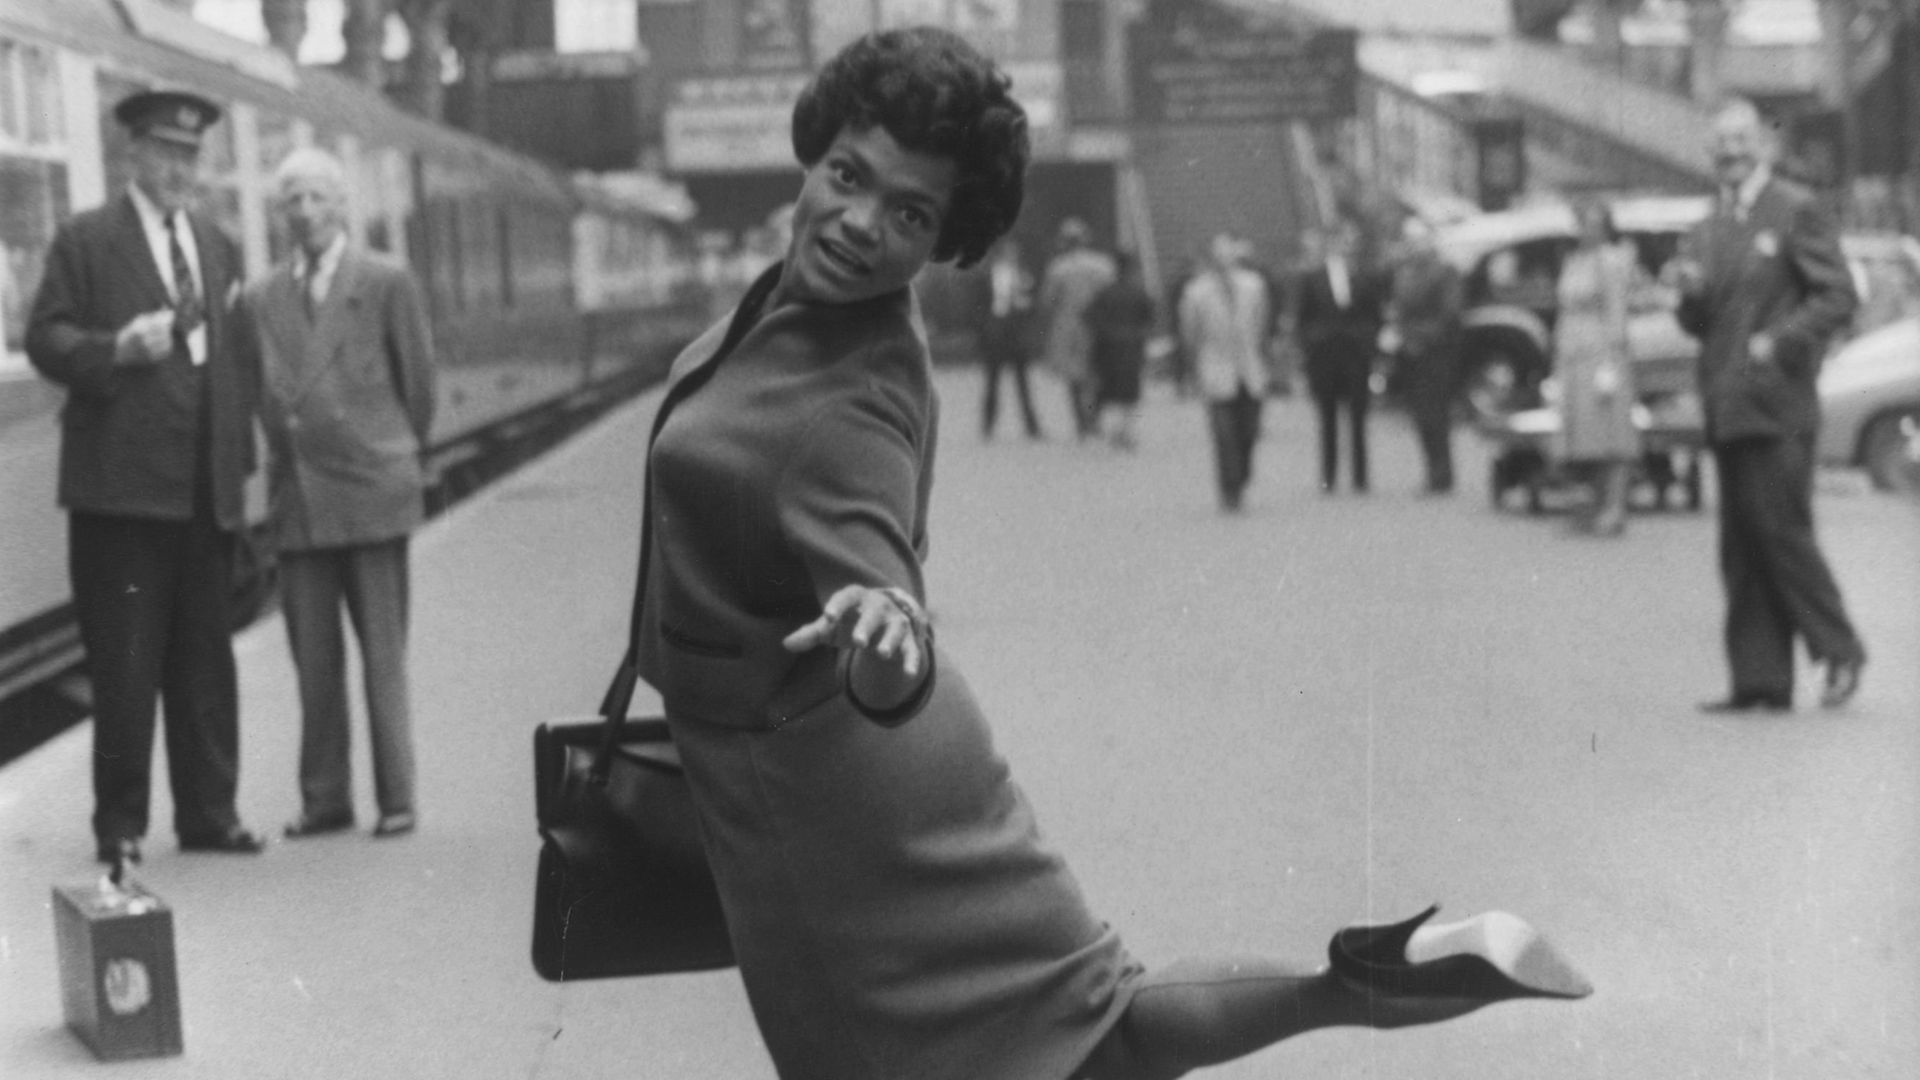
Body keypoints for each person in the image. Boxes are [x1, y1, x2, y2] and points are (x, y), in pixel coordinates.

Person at [627, 31, 1591, 1079]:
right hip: (845, 779)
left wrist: (888, 621)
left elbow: (884, 590)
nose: (860, 224)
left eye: (909, 214)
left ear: (942, 240)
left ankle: (1363, 984)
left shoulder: (852, 401)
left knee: (1013, 1038)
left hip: (833, 798)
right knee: (1089, 1021)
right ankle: (1370, 977)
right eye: (848, 178)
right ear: (812, 157)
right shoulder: (797, 304)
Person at [25, 90, 265, 864]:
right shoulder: (85, 240)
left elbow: (233, 363)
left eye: (190, 155)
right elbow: (44, 337)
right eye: (164, 152)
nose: (178, 168)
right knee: (125, 669)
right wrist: (112, 350)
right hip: (120, 498)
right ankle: (120, 827)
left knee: (206, 662)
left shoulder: (215, 243)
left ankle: (211, 815)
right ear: (133, 155)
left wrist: (240, 472)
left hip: (202, 494)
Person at [243, 148, 435, 840]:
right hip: (299, 499)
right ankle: (325, 799)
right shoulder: (263, 296)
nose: (305, 213)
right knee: (313, 661)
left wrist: (393, 455)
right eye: (291, 201)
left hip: (371, 492)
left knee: (383, 655)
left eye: (317, 198)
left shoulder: (385, 280)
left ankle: (397, 797)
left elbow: (419, 386)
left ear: (342, 206)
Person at [1673, 98, 1866, 712]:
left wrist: (1780, 341)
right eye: (1720, 142)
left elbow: (1837, 298)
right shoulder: (1706, 227)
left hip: (1778, 404)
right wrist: (1688, 298)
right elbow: (1700, 321)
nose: (1730, 151)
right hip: (1727, 403)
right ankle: (1760, 681)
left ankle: (1839, 652)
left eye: (1741, 139)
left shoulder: (1795, 209)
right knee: (1741, 542)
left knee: (1782, 533)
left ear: (1764, 145)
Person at [1554, 201, 1640, 536]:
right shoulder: (1574, 260)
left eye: (1593, 223)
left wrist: (1612, 360)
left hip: (1599, 351)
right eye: (1582, 222)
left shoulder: (1610, 260)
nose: (1585, 230)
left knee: (1610, 431)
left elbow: (1616, 310)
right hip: (1572, 352)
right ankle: (1592, 505)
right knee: (1582, 432)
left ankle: (1614, 506)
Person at [1180, 232, 1273, 512]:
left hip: (1249, 369)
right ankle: (1228, 488)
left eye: (1228, 256)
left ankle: (1242, 476)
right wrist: (1196, 367)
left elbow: (1261, 324)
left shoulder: (1254, 286)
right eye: (1218, 257)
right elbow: (1190, 333)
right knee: (1223, 434)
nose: (1224, 262)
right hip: (1216, 368)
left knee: (1248, 431)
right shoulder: (1195, 292)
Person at [1294, 222, 1384, 493]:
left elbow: (1374, 316)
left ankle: (1360, 476)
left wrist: (1365, 341)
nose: (1342, 247)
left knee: (1358, 418)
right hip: (1325, 359)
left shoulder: (1365, 277)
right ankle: (1329, 476)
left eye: (1346, 242)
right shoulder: (1312, 279)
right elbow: (1303, 319)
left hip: (1356, 357)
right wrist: (1314, 341)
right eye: (1337, 242)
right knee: (1327, 419)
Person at [1384, 217, 1465, 494]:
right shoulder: (1404, 273)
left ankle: (1442, 472)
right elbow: (1398, 309)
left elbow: (1449, 314)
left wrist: (1419, 336)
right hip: (1409, 353)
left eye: (1417, 240)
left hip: (1436, 353)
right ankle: (1431, 469)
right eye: (1409, 240)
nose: (1413, 246)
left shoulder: (1444, 271)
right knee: (1420, 415)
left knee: (1437, 414)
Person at [1037, 216, 1116, 440]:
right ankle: (1095, 418)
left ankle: (1081, 422)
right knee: (1097, 373)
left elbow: (1047, 300)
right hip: (1099, 326)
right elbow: (1111, 295)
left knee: (1074, 377)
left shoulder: (1058, 268)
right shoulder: (1103, 264)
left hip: (1069, 326)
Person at [1084, 250, 1156, 451]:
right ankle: (1126, 432)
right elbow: (1150, 320)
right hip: (1132, 348)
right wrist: (1138, 335)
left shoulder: (1104, 293)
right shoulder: (1139, 293)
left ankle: (1104, 429)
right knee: (1131, 394)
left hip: (1107, 350)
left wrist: (1105, 332)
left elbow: (1088, 316)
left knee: (1105, 391)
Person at [976, 236, 1043, 439]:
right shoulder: (988, 275)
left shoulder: (1024, 275)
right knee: (992, 381)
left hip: (1016, 332)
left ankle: (1032, 426)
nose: (1011, 256)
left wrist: (1026, 305)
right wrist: (983, 328)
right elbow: (978, 304)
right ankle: (988, 425)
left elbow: (1033, 301)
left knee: (1023, 382)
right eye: (1008, 252)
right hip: (996, 329)